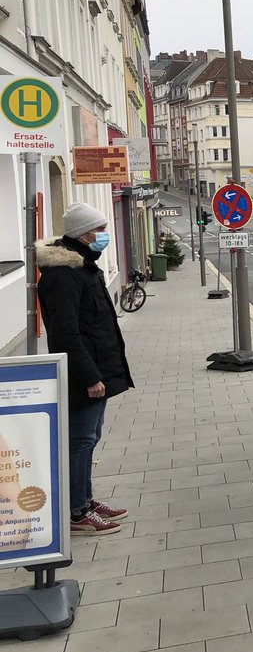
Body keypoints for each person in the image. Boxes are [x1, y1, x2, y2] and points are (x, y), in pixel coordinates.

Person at [36, 202, 134, 536]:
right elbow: (66, 334)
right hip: (83, 375)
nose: (103, 235)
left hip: (96, 369)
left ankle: (86, 499)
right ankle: (76, 511)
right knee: (80, 441)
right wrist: (90, 376)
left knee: (89, 438)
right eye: (99, 230)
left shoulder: (81, 267)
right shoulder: (64, 275)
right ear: (81, 235)